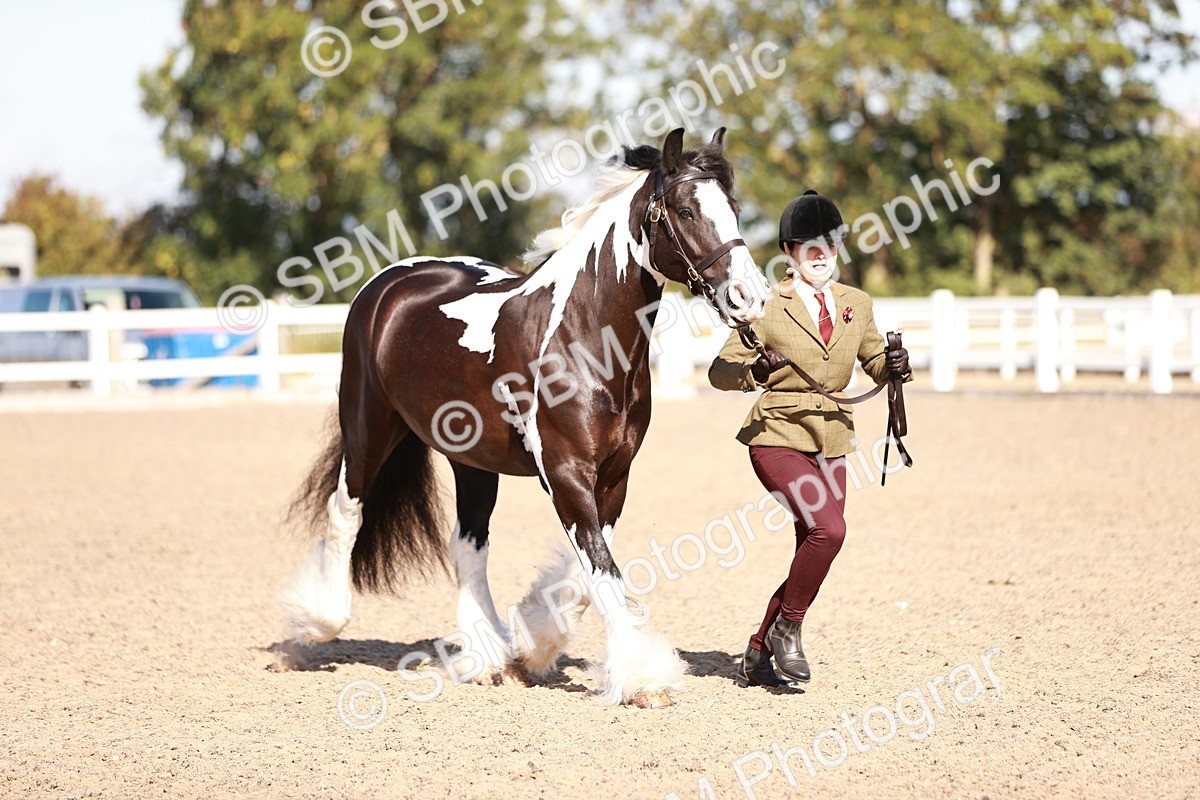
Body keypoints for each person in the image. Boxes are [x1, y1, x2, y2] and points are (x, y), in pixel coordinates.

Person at [708, 190, 911, 688]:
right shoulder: (765, 305)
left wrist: (895, 366)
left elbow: (873, 362)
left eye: (829, 244)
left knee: (812, 545)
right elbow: (719, 371)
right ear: (790, 252)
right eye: (808, 246)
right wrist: (754, 370)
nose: (820, 254)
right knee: (832, 531)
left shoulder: (856, 304)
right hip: (777, 433)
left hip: (833, 438)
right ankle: (791, 628)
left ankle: (759, 647)